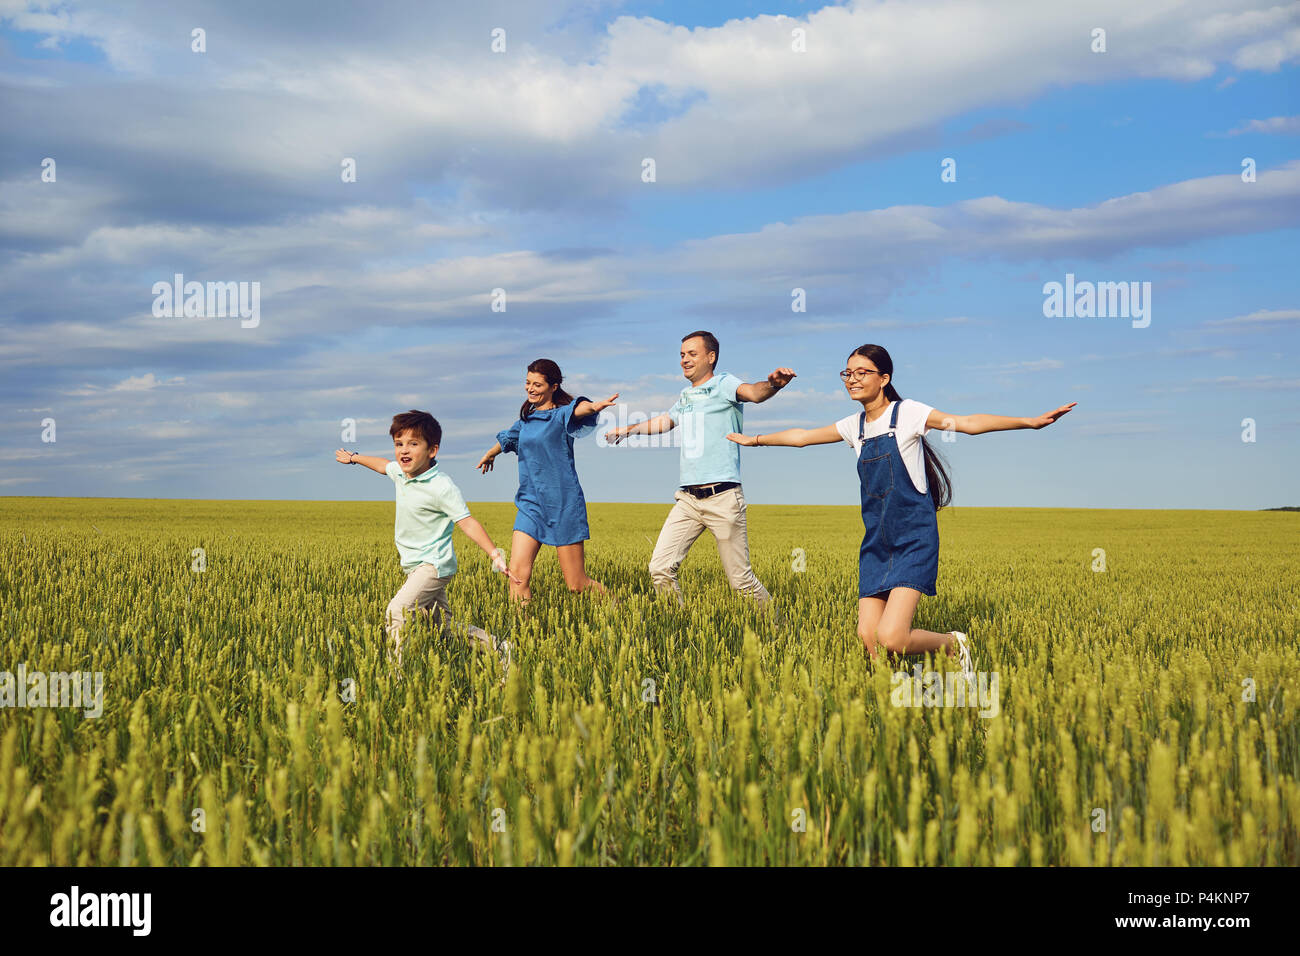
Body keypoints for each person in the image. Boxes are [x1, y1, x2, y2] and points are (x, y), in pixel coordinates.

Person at [725, 343, 1075, 674]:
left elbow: (967, 423)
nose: (853, 380)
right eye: (847, 373)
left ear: (884, 379)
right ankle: (894, 699)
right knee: (869, 638)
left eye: (863, 372)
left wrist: (1029, 422)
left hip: (913, 540)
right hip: (876, 543)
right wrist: (754, 440)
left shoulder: (907, 414)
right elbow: (802, 436)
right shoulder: (855, 426)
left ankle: (954, 645)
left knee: (892, 638)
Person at [605, 330, 795, 607]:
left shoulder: (724, 384)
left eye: (692, 354)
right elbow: (666, 421)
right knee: (660, 569)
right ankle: (676, 627)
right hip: (688, 500)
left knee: (741, 582)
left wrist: (774, 384)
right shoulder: (686, 396)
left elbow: (754, 393)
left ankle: (778, 631)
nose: (684, 359)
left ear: (711, 356)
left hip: (723, 497)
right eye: (682, 355)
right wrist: (630, 430)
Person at [335, 409, 518, 670]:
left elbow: (466, 522)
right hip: (414, 565)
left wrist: (494, 554)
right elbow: (381, 465)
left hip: (433, 566)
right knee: (443, 627)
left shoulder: (442, 486)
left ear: (432, 450)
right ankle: (500, 649)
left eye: (413, 444)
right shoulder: (400, 472)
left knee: (396, 611)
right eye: (399, 444)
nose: (404, 450)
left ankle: (394, 678)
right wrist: (353, 458)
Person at [476, 359, 617, 603]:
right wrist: (490, 453)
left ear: (553, 387)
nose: (530, 388)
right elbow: (508, 439)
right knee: (517, 576)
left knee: (576, 584)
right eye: (528, 383)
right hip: (530, 505)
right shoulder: (526, 422)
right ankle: (521, 635)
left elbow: (579, 409)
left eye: (537, 384)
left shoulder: (561, 415)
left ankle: (620, 609)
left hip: (562, 504)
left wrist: (594, 406)